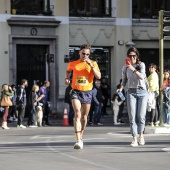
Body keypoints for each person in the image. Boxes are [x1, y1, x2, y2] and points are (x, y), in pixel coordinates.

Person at [65, 44, 101, 149]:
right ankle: (78, 140)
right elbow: (68, 71)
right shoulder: (73, 63)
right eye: (83, 53)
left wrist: (91, 65)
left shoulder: (93, 63)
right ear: (79, 53)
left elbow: (98, 76)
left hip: (88, 92)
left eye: (87, 54)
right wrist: (67, 78)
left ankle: (81, 134)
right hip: (75, 91)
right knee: (77, 113)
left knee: (84, 117)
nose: (85, 55)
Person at [117, 47, 148, 147]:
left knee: (141, 116)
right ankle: (134, 138)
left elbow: (142, 77)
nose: (132, 58)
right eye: (130, 56)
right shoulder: (124, 67)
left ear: (137, 56)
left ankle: (141, 135)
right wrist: (121, 88)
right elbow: (124, 80)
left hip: (142, 92)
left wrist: (133, 69)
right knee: (132, 116)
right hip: (131, 92)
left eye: (134, 56)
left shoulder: (141, 65)